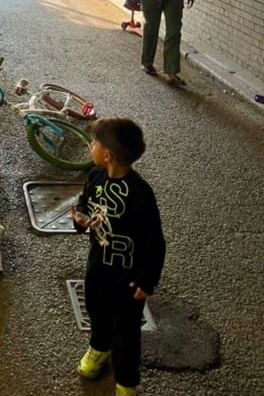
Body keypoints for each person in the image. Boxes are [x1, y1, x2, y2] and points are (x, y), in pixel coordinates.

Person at [71, 117, 165, 396]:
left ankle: (126, 380)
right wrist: (80, 219)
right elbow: (84, 203)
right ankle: (99, 348)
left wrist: (147, 280)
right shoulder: (95, 176)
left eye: (94, 143)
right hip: (98, 267)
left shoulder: (140, 193)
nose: (91, 146)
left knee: (126, 330)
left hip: (128, 278)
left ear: (108, 155)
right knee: (97, 312)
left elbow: (155, 241)